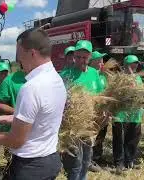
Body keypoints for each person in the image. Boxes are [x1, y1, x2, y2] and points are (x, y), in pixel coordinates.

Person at [0, 28, 67, 180]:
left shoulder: (31, 87)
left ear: (32, 53)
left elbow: (16, 141)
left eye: (20, 57)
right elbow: (38, 118)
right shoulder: (57, 80)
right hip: (50, 160)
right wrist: (0, 118)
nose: (20, 63)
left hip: (29, 167)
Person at [60, 40, 104, 180]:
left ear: (90, 57)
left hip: (89, 126)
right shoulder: (67, 74)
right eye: (77, 57)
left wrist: (103, 113)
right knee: (75, 164)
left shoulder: (93, 73)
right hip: (73, 127)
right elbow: (60, 98)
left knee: (86, 162)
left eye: (84, 57)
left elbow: (100, 96)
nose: (80, 60)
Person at [113, 55, 143, 173]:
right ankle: (119, 162)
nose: (135, 65)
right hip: (121, 114)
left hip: (134, 114)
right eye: (132, 63)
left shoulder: (137, 78)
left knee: (133, 138)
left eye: (136, 63)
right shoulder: (119, 78)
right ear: (126, 65)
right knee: (119, 139)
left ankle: (129, 160)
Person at [88, 51, 108, 170]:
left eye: (102, 60)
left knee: (101, 134)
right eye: (99, 60)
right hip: (91, 112)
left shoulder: (102, 76)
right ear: (93, 61)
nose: (102, 62)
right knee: (91, 136)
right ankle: (89, 160)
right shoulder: (89, 74)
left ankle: (97, 157)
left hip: (102, 111)